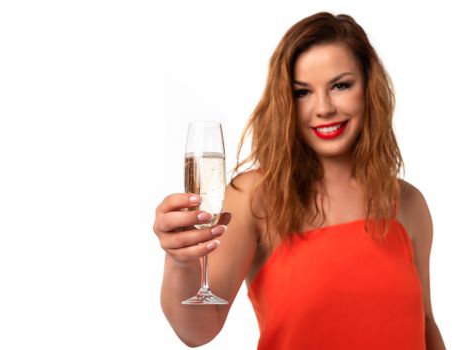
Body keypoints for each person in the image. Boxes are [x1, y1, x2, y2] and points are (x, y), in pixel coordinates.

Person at [153, 12, 446, 349]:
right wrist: (180, 261)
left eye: (340, 85)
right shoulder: (255, 198)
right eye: (302, 92)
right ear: (284, 102)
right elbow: (198, 330)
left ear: (369, 87)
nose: (323, 108)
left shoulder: (407, 202)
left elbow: (424, 324)